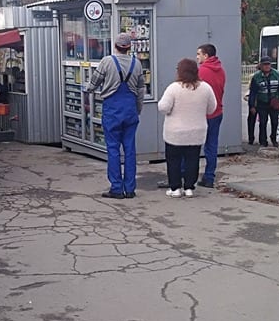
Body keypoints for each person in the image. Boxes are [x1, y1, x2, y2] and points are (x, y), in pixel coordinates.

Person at [85, 33, 145, 199]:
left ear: (115, 46)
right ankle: (130, 188)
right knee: (130, 149)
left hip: (112, 110)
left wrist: (87, 91)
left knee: (113, 149)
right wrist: (138, 109)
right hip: (131, 109)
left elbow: (93, 84)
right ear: (129, 48)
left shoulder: (107, 61)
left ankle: (117, 188)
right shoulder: (137, 64)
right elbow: (141, 90)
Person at [158, 58, 216, 198]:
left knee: (173, 160)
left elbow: (163, 107)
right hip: (196, 132)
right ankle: (189, 187)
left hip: (175, 133)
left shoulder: (174, 88)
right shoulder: (206, 88)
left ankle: (175, 188)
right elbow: (211, 109)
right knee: (193, 159)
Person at [195, 43, 226, 188]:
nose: (197, 57)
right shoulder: (221, 70)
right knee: (211, 147)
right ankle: (209, 177)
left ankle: (188, 176)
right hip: (217, 112)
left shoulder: (201, 71)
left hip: (202, 114)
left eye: (199, 54)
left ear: (206, 56)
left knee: (193, 146)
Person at [247, 56, 279, 147]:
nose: (267, 66)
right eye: (265, 64)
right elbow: (253, 92)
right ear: (261, 65)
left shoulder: (277, 74)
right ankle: (263, 141)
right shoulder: (256, 77)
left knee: (275, 122)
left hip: (274, 103)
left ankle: (274, 138)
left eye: (268, 64)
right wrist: (252, 106)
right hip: (262, 103)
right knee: (263, 122)